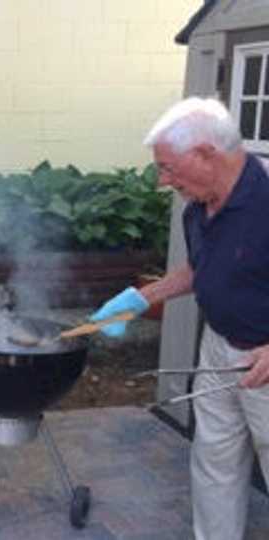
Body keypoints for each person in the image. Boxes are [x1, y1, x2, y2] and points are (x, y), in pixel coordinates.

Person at [90, 96, 269, 540]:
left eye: (168, 168)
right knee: (214, 462)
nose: (162, 181)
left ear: (206, 154)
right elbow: (200, 271)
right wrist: (137, 299)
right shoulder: (198, 208)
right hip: (219, 348)